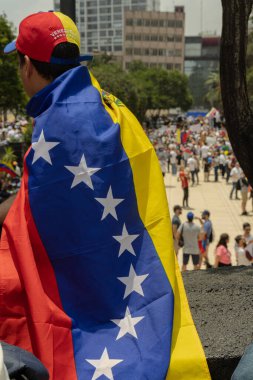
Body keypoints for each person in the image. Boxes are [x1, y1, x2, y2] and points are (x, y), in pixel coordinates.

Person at [1, 11, 211, 380]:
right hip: (129, 279)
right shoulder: (111, 107)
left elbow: (34, 218)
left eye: (19, 64)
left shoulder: (57, 124)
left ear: (28, 66)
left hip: (86, 303)